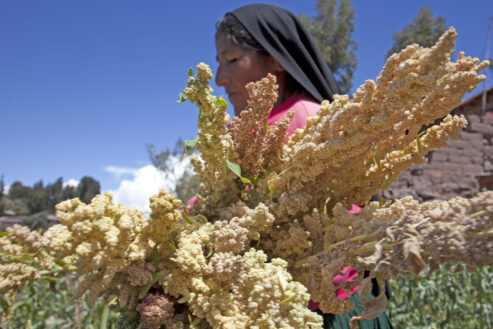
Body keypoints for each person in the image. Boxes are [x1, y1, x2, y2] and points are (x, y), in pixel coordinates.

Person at [214, 4, 394, 329]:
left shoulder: (306, 119)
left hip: (327, 309)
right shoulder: (248, 132)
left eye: (231, 60)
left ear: (277, 58)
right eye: (218, 64)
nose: (219, 79)